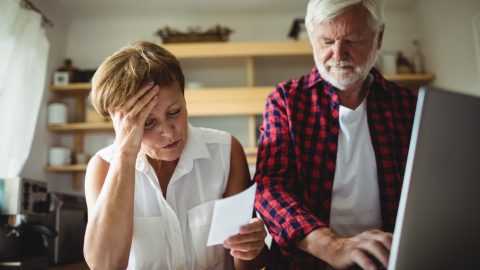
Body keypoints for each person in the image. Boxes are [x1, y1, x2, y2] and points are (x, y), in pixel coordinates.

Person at [254, 0, 417, 269]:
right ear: (312, 39)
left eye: (352, 40)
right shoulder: (286, 100)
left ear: (378, 38)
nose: (338, 54)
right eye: (326, 41)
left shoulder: (406, 106)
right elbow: (270, 187)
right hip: (306, 263)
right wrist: (333, 246)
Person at [83, 41, 268, 270]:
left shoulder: (226, 151)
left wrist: (253, 247)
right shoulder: (103, 166)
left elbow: (247, 264)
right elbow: (104, 265)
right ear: (120, 122)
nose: (169, 131)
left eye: (175, 112)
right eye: (148, 122)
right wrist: (125, 152)